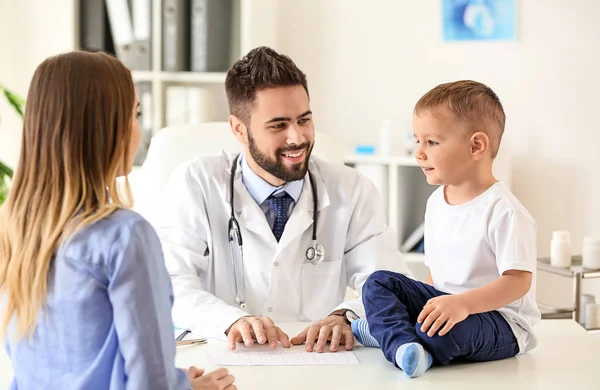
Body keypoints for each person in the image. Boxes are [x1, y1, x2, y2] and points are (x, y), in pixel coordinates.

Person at [151, 46, 411, 353]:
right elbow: (169, 284)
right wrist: (230, 321)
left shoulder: (352, 190)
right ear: (239, 129)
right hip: (225, 359)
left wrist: (345, 315)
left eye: (304, 120)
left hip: (319, 364)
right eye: (278, 125)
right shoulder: (196, 183)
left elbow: (389, 282)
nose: (297, 137)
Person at [0, 51, 235, 390]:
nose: (138, 130)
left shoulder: (14, 230)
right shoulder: (125, 236)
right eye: (133, 114)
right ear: (106, 129)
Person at [351, 80, 541, 377]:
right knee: (378, 283)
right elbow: (435, 274)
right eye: (418, 141)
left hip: (498, 320)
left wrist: (462, 304)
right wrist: (432, 303)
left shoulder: (505, 211)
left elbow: (517, 283)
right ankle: (403, 346)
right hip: (448, 307)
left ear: (476, 146)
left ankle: (390, 334)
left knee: (440, 332)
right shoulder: (436, 202)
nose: (419, 153)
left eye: (432, 142)